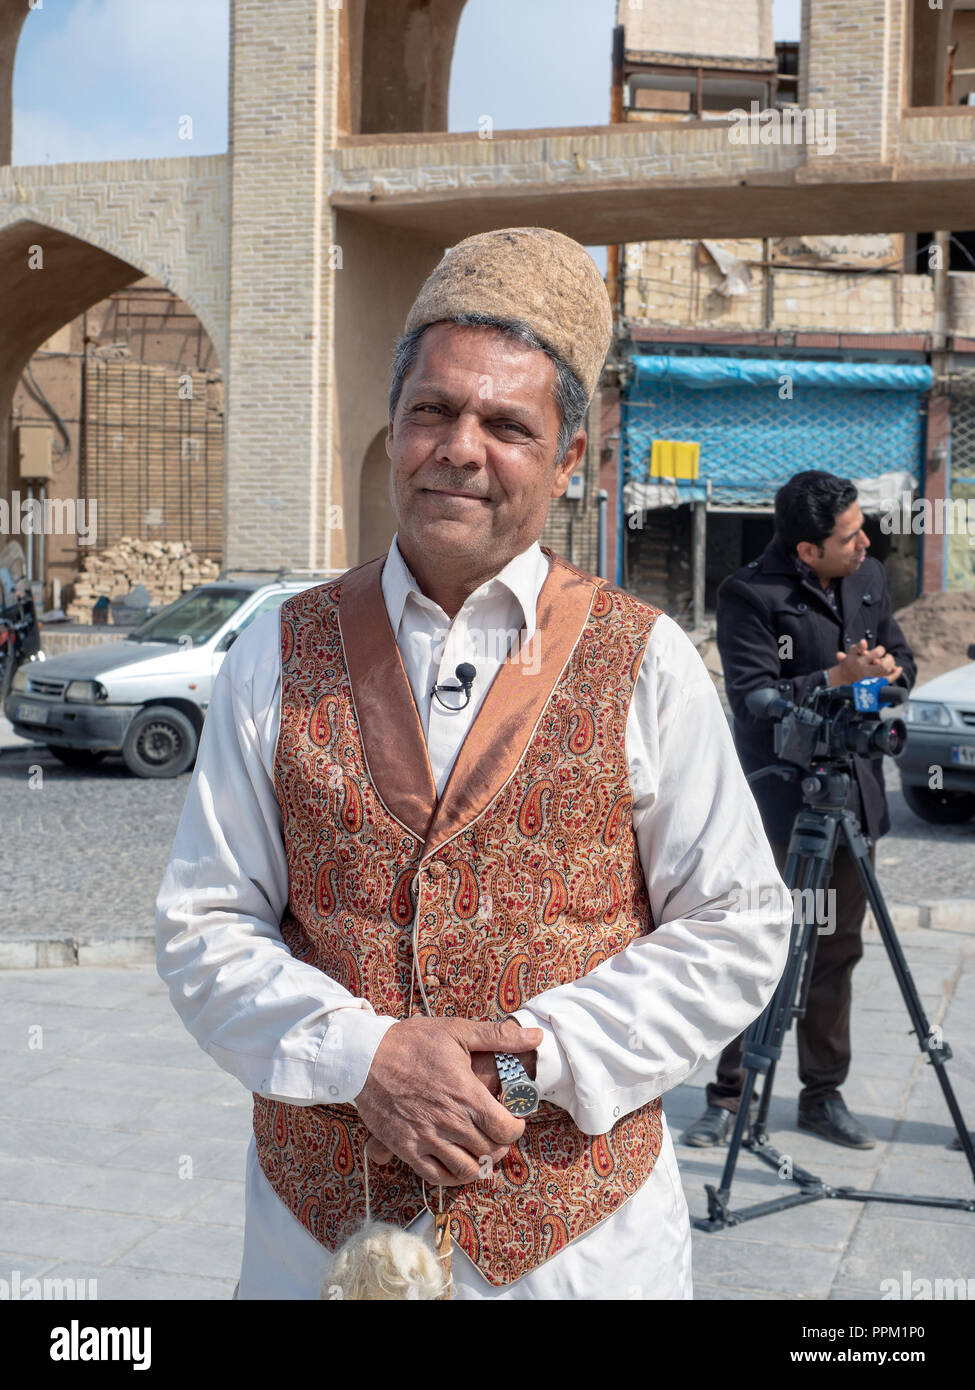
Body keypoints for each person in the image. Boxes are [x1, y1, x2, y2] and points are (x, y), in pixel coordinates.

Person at [155, 226, 791, 1300]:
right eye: (433, 413)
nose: (460, 447)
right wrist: (364, 1059)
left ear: (571, 460)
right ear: (393, 428)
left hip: (579, 1250)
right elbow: (203, 920)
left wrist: (530, 1058)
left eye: (505, 423)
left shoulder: (647, 662)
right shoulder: (277, 646)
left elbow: (738, 922)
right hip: (320, 1237)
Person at [682, 470, 916, 1152]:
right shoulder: (749, 594)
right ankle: (728, 1096)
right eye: (850, 535)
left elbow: (898, 661)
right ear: (807, 550)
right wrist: (833, 680)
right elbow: (754, 698)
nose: (865, 541)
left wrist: (879, 681)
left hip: (852, 799)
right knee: (754, 948)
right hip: (776, 806)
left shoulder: (867, 576)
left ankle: (822, 1094)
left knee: (837, 953)